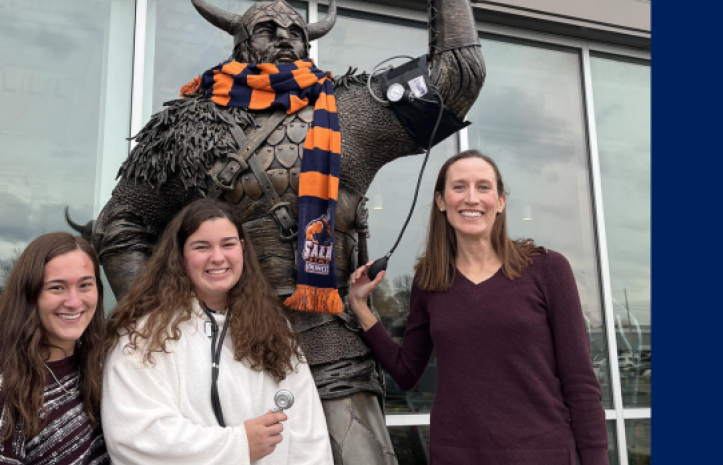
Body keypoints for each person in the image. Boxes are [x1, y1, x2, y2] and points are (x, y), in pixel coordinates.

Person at [91, 1, 485, 462]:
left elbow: (457, 77)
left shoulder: (350, 108)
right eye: (266, 29)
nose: (283, 39)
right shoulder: (184, 127)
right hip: (225, 346)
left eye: (296, 32)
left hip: (330, 341)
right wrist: (165, 318)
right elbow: (120, 223)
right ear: (241, 42)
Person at [348, 150, 609, 465]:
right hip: (456, 455)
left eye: (483, 187)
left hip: (543, 453)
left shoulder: (547, 268)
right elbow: (406, 374)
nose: (471, 198)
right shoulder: (429, 280)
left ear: (500, 201)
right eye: (459, 187)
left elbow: (579, 380)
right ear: (442, 201)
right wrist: (360, 306)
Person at [100, 198, 332, 464]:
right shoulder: (142, 338)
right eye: (202, 247)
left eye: (228, 244)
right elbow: (136, 437)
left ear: (242, 248)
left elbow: (308, 433)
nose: (218, 257)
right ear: (180, 254)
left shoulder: (274, 328)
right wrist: (239, 446)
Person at [0, 233, 109, 464]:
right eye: (57, 287)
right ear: (30, 295)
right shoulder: (8, 388)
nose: (74, 301)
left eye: (85, 285)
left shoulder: (102, 363)